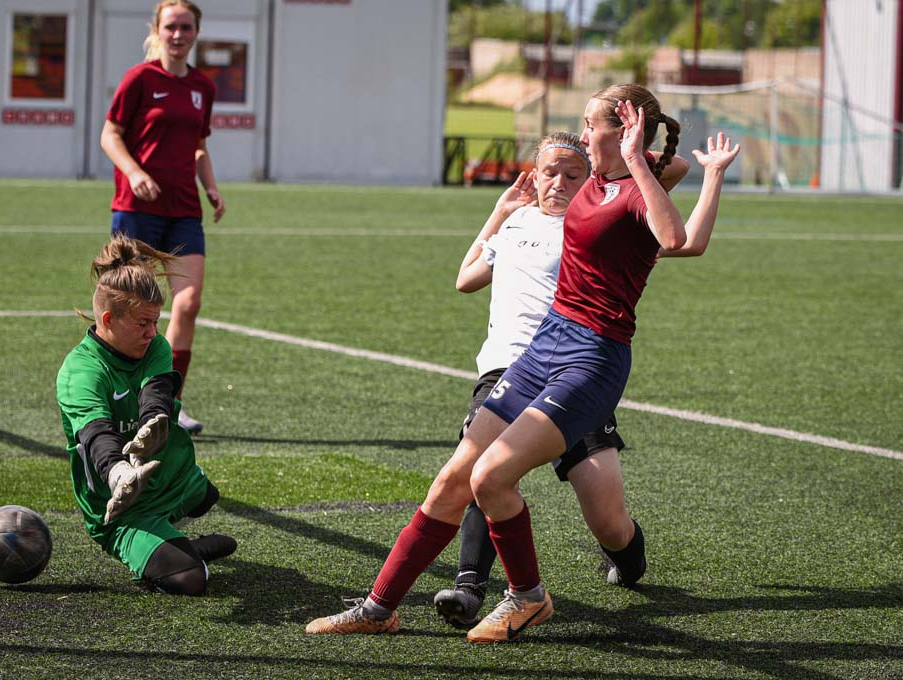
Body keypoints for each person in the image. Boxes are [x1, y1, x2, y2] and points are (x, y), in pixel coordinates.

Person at [305, 83, 740, 642]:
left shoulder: (636, 191)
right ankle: (378, 608)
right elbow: (652, 165)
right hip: (542, 347)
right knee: (452, 481)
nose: (582, 136)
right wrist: (525, 198)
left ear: (621, 133)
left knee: (492, 477)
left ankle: (528, 598)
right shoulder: (594, 181)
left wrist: (647, 155)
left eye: (591, 125)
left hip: (591, 359)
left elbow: (680, 238)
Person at [432, 130, 740, 629]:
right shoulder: (516, 224)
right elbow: (465, 279)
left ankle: (627, 559)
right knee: (483, 471)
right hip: (508, 370)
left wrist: (620, 151)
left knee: (608, 521)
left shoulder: (604, 223)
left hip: (576, 372)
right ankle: (469, 587)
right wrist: (500, 211)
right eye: (549, 173)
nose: (558, 182)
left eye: (573, 174)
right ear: (534, 177)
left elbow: (677, 180)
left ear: (592, 177)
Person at [56, 235, 236, 595]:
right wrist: (119, 474)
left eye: (156, 322)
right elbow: (96, 433)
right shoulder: (81, 372)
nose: (153, 333)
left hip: (170, 476)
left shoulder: (155, 346)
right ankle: (185, 552)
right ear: (108, 319)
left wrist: (154, 422)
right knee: (190, 580)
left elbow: (156, 394)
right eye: (142, 324)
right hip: (122, 508)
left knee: (206, 497)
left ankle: (174, 538)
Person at [100, 0, 225, 435]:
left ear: (196, 32)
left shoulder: (202, 87)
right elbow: (109, 134)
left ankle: (165, 405)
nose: (178, 34)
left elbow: (199, 147)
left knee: (187, 304)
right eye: (171, 26)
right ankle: (119, 398)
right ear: (157, 29)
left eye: (186, 27)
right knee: (132, 307)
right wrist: (134, 173)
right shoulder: (139, 79)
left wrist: (211, 187)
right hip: (136, 210)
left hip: (184, 210)